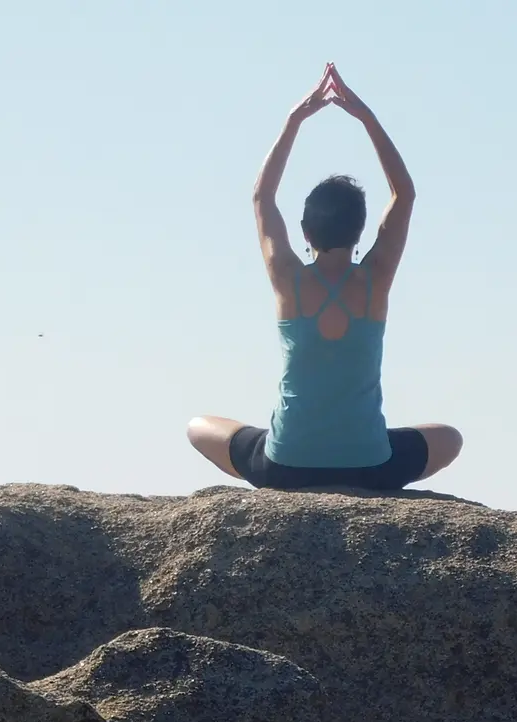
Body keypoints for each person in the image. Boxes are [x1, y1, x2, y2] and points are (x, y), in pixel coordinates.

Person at [187, 63, 462, 492]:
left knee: (198, 426)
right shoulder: (375, 280)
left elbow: (262, 197)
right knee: (450, 438)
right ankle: (354, 447)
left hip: (285, 467)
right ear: (360, 232)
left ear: (305, 232)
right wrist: (366, 118)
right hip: (369, 467)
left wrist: (295, 119)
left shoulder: (288, 279)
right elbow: (403, 194)